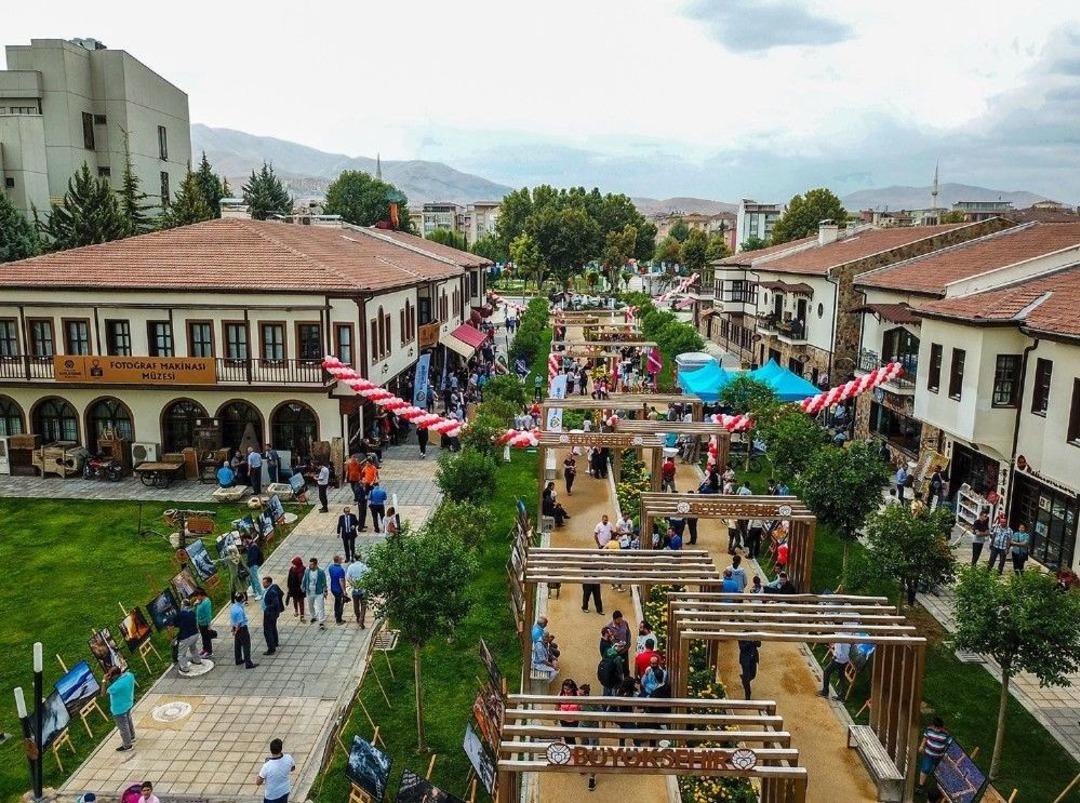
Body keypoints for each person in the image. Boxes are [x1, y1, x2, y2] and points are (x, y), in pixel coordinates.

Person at [105, 666, 136, 752]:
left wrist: (104, 681)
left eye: (110, 675)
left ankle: (127, 745)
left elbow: (103, 693)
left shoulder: (115, 687)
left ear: (115, 676)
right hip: (128, 702)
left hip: (119, 709)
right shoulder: (129, 675)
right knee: (128, 720)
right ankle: (132, 736)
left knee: (123, 727)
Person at [256, 737, 296, 803]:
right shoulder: (288, 758)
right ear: (281, 749)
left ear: (270, 749)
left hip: (272, 796)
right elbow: (292, 768)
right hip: (285, 791)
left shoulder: (267, 766)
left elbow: (258, 782)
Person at [918, 717, 952, 787]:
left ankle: (938, 785)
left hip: (939, 756)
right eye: (935, 728)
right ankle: (920, 785)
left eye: (939, 728)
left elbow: (949, 744)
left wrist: (947, 753)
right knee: (925, 769)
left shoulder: (946, 733)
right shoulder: (929, 729)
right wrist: (921, 746)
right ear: (933, 726)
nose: (937, 730)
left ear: (942, 727)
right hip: (928, 754)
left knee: (940, 771)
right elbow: (925, 737)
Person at [231, 592, 258, 669]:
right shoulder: (239, 610)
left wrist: (233, 629)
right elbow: (239, 622)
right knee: (246, 645)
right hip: (242, 629)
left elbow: (233, 619)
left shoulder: (233, 606)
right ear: (242, 599)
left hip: (235, 627)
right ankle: (248, 663)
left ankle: (238, 659)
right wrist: (236, 630)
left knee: (237, 645)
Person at [175, 598, 202, 673]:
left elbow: (175, 624)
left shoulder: (180, 614)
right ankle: (197, 660)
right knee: (193, 647)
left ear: (183, 605)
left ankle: (184, 668)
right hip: (195, 634)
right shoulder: (192, 612)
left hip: (186, 637)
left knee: (181, 654)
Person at [261, 575, 284, 655]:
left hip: (270, 614)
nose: (263, 584)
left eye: (264, 583)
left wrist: (267, 608)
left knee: (267, 630)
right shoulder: (271, 588)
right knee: (273, 628)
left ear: (269, 583)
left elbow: (275, 603)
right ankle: (275, 642)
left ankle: (271, 648)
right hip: (270, 613)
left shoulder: (272, 592)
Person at [302, 557, 328, 630]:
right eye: (309, 564)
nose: (310, 566)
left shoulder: (320, 572)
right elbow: (304, 579)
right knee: (310, 605)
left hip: (318, 592)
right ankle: (313, 616)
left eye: (312, 564)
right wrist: (303, 587)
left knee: (320, 606)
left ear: (316, 564)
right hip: (309, 592)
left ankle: (321, 622)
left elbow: (324, 582)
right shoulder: (307, 571)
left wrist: (325, 591)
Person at [346, 557, 369, 628]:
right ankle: (361, 619)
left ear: (354, 559)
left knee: (356, 605)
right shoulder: (364, 566)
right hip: (363, 589)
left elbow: (348, 578)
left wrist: (353, 585)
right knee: (363, 605)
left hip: (355, 590)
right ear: (360, 558)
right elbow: (368, 576)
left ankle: (358, 617)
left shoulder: (351, 567)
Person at [556, 679, 581, 743]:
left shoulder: (577, 694)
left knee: (571, 736)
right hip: (563, 719)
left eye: (568, 689)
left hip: (574, 720)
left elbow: (581, 707)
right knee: (566, 737)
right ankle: (570, 750)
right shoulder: (561, 694)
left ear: (572, 688)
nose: (566, 691)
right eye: (565, 688)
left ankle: (572, 750)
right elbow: (557, 706)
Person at [285, 556, 306, 621]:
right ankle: (296, 611)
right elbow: (289, 579)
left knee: (301, 602)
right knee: (295, 600)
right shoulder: (292, 569)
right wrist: (289, 587)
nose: (293, 565)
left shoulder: (303, 569)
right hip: (294, 588)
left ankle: (302, 614)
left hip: (300, 589)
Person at [194, 590, 214, 657]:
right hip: (200, 622)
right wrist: (197, 604)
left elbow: (208, 614)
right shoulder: (200, 601)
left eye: (197, 596)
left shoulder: (206, 602)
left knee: (207, 638)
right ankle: (205, 649)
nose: (196, 598)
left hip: (205, 623)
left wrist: (209, 624)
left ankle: (209, 651)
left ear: (200, 595)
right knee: (203, 637)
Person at [328, 555, 347, 625]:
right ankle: (339, 620)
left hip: (333, 588)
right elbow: (341, 581)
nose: (342, 560)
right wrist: (344, 591)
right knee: (340, 605)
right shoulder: (340, 570)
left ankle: (336, 614)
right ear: (338, 560)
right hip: (339, 589)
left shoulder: (330, 567)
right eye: (341, 559)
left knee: (337, 602)